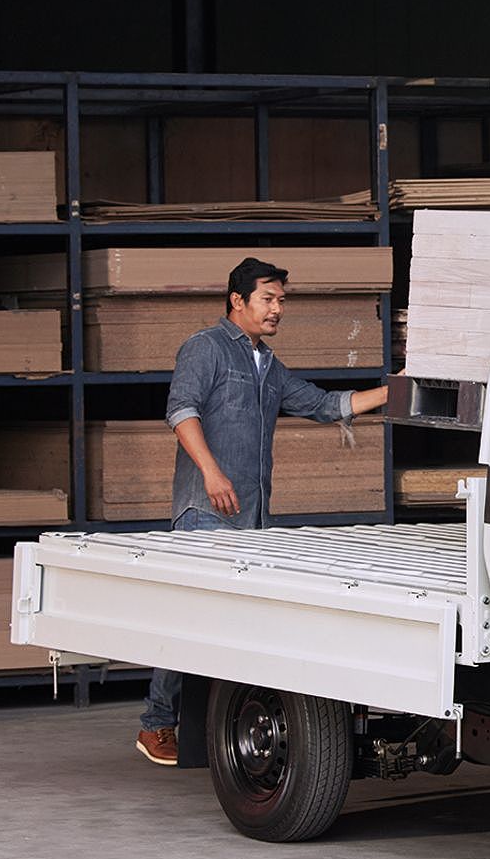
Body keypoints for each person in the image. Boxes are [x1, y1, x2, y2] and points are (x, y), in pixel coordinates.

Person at [134, 256, 389, 766]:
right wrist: (211, 472)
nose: (277, 310)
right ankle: (157, 723)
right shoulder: (204, 348)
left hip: (252, 518)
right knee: (188, 616)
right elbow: (180, 410)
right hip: (205, 510)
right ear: (237, 301)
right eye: (268, 299)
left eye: (281, 301)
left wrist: (395, 390)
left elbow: (325, 405)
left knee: (229, 622)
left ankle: (216, 728)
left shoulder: (268, 365)